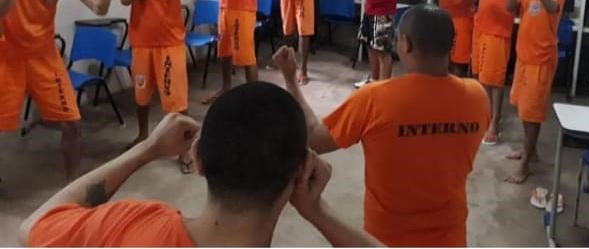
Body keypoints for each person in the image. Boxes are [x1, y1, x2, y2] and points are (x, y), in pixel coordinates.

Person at [20, 82, 381, 247]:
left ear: (197, 158)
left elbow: (33, 228)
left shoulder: (130, 224)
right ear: (303, 170)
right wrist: (317, 212)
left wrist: (145, 150)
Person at [274, 4, 491, 247]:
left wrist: (291, 79)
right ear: (452, 44)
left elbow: (313, 138)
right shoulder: (477, 97)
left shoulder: (375, 99)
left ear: (406, 44)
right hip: (452, 239)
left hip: (384, 241)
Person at [0, 0, 111, 181]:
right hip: (8, 57)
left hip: (45, 58)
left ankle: (73, 183)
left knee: (72, 121)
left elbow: (99, 8)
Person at [118, 0, 207, 174]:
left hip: (170, 46)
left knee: (176, 102)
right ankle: (143, 134)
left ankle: (184, 149)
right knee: (141, 95)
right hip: (142, 44)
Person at [505, 0, 564, 184]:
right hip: (524, 58)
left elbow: (552, 8)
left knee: (533, 114)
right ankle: (530, 151)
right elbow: (510, 6)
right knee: (524, 109)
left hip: (541, 60)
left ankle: (525, 165)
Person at [466, 0, 523, 145]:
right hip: (479, 29)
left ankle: (495, 125)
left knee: (495, 81)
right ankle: (485, 117)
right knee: (481, 78)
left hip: (498, 32)